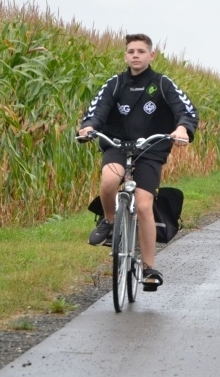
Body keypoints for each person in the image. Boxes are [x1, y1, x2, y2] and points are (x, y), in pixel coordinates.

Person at [78, 33, 199, 289]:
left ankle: (148, 268)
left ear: (151, 55)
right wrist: (89, 127)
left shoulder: (162, 83)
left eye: (141, 51)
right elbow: (97, 110)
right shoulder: (115, 84)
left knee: (144, 205)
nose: (135, 55)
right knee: (109, 180)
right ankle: (109, 222)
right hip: (117, 144)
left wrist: (182, 129)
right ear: (125, 55)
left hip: (150, 149)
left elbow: (185, 110)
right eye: (131, 51)